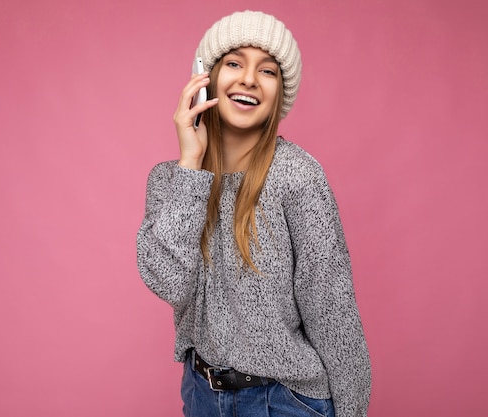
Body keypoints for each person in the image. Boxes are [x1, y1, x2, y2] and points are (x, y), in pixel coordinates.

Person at [136, 10, 371, 417]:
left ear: (280, 92)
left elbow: (333, 312)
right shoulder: (170, 182)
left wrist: (353, 411)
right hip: (201, 395)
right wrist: (191, 163)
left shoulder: (297, 176)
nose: (248, 78)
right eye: (233, 63)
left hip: (285, 401)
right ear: (203, 76)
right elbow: (169, 282)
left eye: (267, 70)